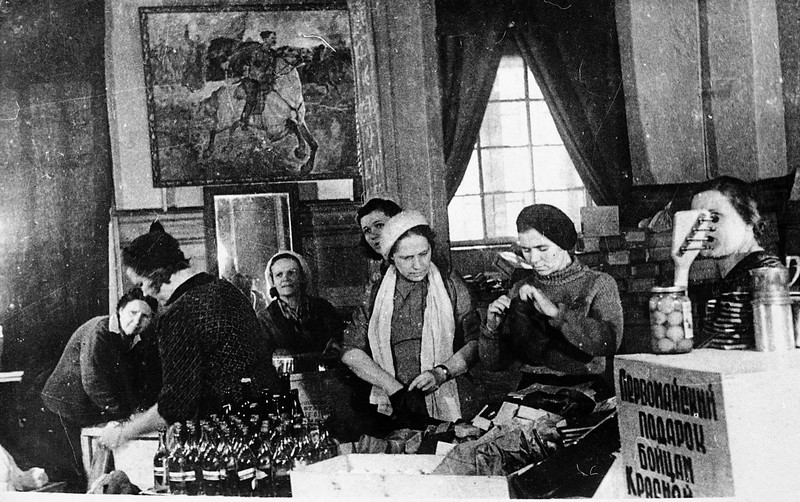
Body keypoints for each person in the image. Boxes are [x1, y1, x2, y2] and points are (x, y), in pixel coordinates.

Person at [98, 221, 278, 449]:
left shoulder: (179, 312)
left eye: (142, 283)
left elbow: (176, 404)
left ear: (155, 274)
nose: (143, 292)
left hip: (226, 439)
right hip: (269, 426)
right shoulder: (227, 290)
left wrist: (123, 434)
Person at [341, 210, 480, 429]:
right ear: (391, 258)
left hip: (449, 398)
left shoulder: (450, 284)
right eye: (406, 258)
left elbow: (475, 342)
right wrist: (394, 389)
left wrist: (442, 373)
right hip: (395, 405)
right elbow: (350, 351)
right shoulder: (376, 291)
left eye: (424, 253)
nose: (418, 265)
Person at [479, 204, 623, 395]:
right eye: (526, 250)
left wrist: (556, 313)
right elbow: (494, 364)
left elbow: (609, 343)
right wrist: (492, 329)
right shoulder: (520, 288)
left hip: (585, 387)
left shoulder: (598, 283)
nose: (534, 259)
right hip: (531, 388)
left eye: (542, 248)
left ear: (563, 243)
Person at [672, 176, 783, 348]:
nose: (703, 230)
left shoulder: (764, 273)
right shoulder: (733, 277)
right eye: (698, 220)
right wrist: (682, 267)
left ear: (748, 221)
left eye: (715, 218)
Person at [40, 288, 159, 427]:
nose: (137, 321)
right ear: (120, 311)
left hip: (92, 409)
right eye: (132, 313)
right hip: (63, 410)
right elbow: (92, 380)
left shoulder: (139, 339)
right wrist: (126, 413)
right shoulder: (99, 331)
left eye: (145, 316)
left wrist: (138, 410)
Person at [258, 251, 345, 356]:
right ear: (272, 281)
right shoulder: (265, 319)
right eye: (279, 275)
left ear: (302, 277)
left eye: (291, 273)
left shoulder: (323, 308)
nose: (285, 279)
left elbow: (339, 342)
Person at [356, 197, 402, 283]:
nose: (372, 235)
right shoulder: (385, 268)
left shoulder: (413, 267)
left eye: (379, 225)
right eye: (367, 230)